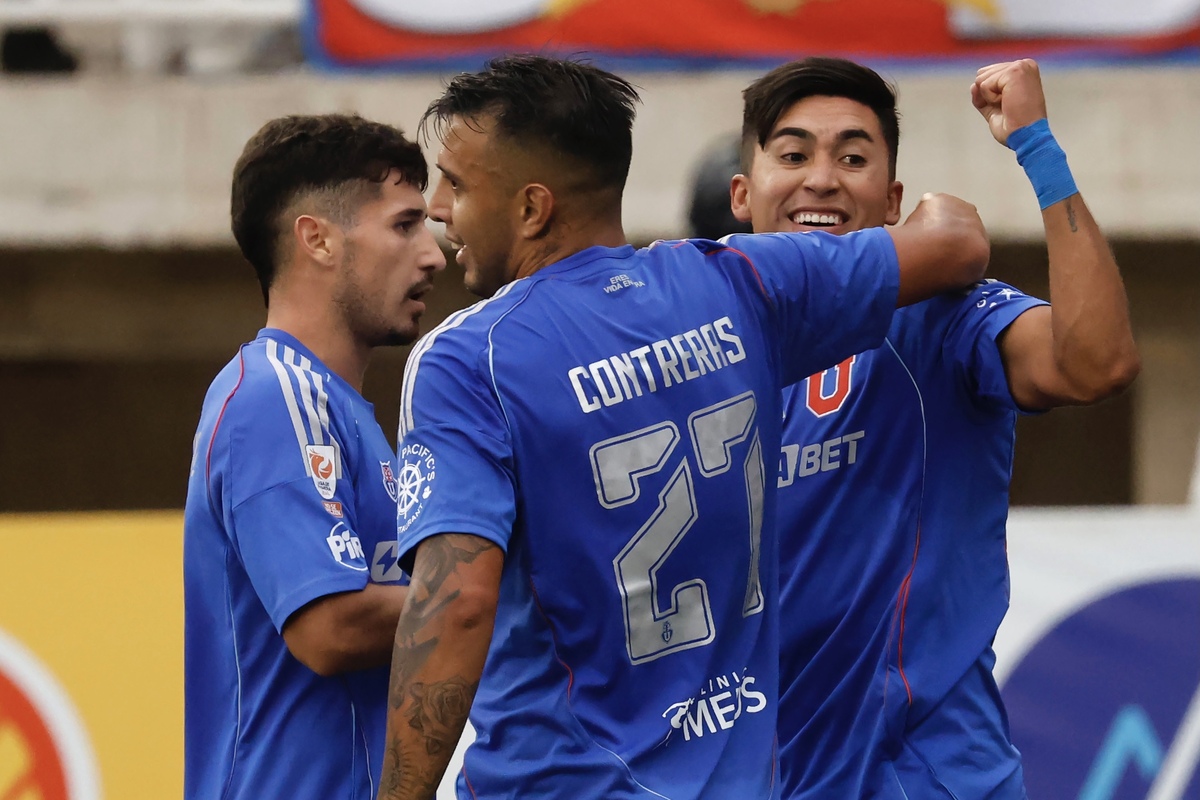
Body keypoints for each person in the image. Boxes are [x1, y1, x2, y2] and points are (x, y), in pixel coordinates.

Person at [377, 54, 991, 800]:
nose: (439, 208)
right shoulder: (738, 284)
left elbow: (456, 606)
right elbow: (956, 242)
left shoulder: (469, 356)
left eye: (457, 184)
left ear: (533, 209)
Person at [729, 57, 1140, 798]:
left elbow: (1097, 363)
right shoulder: (702, 350)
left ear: (893, 201)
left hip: (925, 779)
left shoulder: (941, 318)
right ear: (741, 194)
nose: (821, 179)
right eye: (792, 156)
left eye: (852, 158)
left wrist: (1038, 147)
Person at [183, 113, 446, 800]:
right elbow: (330, 628)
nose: (434, 256)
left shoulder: (334, 409)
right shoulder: (275, 396)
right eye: (405, 225)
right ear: (318, 239)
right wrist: (496, 590)